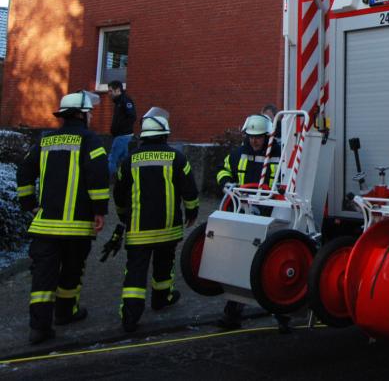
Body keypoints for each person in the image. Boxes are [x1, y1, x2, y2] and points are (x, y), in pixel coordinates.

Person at [16, 91, 109, 344]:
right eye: (88, 112)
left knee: (43, 276)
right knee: (71, 270)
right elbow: (98, 177)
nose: (90, 117)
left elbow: (24, 172)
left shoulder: (45, 140)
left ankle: (39, 328)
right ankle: (66, 313)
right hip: (77, 226)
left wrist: (29, 205)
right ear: (81, 114)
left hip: (45, 226)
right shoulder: (91, 140)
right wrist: (100, 210)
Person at [113, 112, 198, 332]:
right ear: (165, 135)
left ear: (144, 135)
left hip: (138, 230)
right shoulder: (177, 158)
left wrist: (122, 215)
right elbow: (189, 189)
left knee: (135, 271)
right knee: (164, 266)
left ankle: (130, 316)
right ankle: (161, 299)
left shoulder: (129, 159)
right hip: (168, 228)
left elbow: (119, 192)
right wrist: (192, 212)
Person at [216, 114, 281, 330]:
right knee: (241, 264)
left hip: (271, 216)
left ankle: (282, 316)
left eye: (259, 137)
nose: (255, 141)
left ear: (267, 136)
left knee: (274, 263)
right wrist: (227, 184)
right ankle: (232, 314)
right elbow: (223, 171)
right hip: (244, 215)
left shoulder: (279, 154)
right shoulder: (237, 154)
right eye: (252, 137)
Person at [107, 80, 136, 176]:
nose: (109, 93)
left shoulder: (125, 101)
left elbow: (132, 116)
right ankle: (124, 179)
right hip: (121, 136)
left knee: (112, 159)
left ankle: (109, 181)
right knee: (124, 160)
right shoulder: (118, 102)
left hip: (122, 136)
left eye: (111, 91)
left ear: (118, 90)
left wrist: (120, 130)